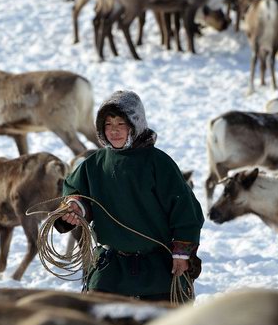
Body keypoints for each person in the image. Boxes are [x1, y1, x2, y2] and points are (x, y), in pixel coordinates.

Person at [54, 90, 204, 302]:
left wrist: (182, 254)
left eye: (120, 124)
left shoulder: (158, 163)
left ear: (135, 124)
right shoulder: (95, 164)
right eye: (108, 124)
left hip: (158, 267)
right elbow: (75, 192)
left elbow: (186, 211)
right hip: (111, 269)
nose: (113, 131)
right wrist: (76, 208)